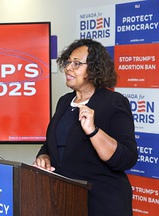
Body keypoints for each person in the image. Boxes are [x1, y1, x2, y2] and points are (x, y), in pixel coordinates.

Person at [33, 38, 138, 216]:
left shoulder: (114, 102)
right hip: (66, 199)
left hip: (103, 203)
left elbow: (127, 158)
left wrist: (93, 131)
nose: (68, 68)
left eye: (77, 64)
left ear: (94, 69)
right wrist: (44, 156)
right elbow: (51, 144)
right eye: (68, 62)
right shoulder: (65, 101)